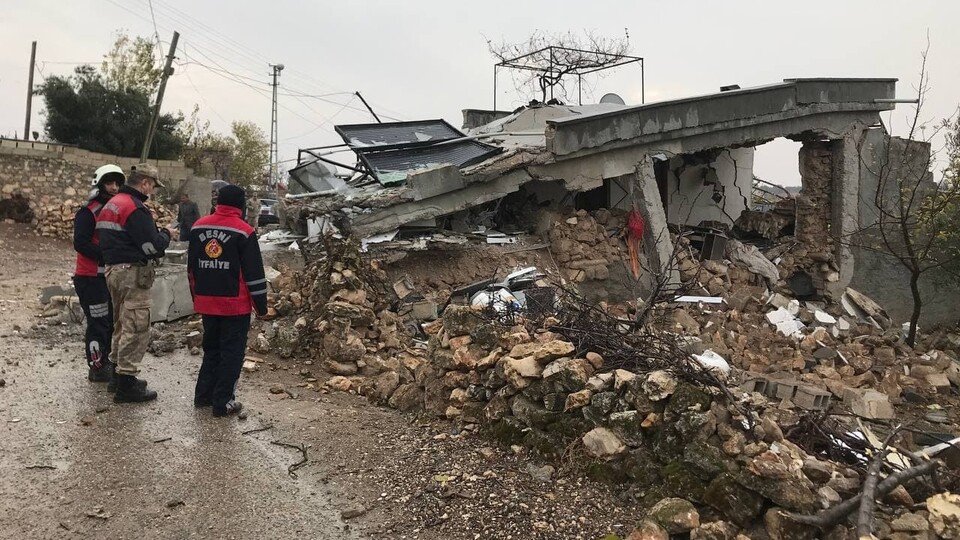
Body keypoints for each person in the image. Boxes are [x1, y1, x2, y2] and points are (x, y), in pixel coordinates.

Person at [96, 163, 177, 403]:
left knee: (121, 323)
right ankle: (127, 383)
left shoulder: (112, 204)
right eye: (152, 186)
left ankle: (116, 376)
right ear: (145, 183)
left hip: (113, 270)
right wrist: (166, 234)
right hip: (132, 273)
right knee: (136, 326)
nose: (152, 191)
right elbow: (152, 247)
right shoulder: (135, 208)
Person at [188, 185, 267, 417]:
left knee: (211, 349)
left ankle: (203, 396)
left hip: (207, 303)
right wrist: (261, 306)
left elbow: (191, 269)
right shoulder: (244, 231)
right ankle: (223, 402)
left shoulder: (198, 227)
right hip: (235, 305)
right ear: (241, 206)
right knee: (232, 353)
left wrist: (196, 299)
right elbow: (254, 275)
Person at [73, 164, 123, 385]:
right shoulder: (88, 212)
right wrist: (108, 255)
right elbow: (80, 243)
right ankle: (97, 367)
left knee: (110, 322)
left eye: (117, 183)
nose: (114, 187)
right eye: (109, 183)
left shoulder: (116, 210)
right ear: (99, 184)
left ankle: (106, 361)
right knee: (98, 324)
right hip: (90, 277)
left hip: (108, 277)